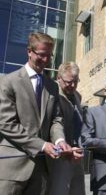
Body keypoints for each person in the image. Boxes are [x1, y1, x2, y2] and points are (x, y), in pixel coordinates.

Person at [0, 32, 71, 195]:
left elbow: (56, 119)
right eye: (41, 55)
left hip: (41, 171)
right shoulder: (8, 82)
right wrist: (42, 145)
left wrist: (60, 140)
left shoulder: (52, 86)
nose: (46, 60)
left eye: (49, 55)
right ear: (29, 51)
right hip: (12, 170)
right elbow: (6, 124)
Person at [47, 62, 85, 195]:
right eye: (69, 82)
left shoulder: (77, 96)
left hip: (77, 154)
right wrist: (61, 143)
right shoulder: (51, 93)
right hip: (60, 155)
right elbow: (55, 123)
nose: (73, 85)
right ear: (58, 78)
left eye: (76, 81)